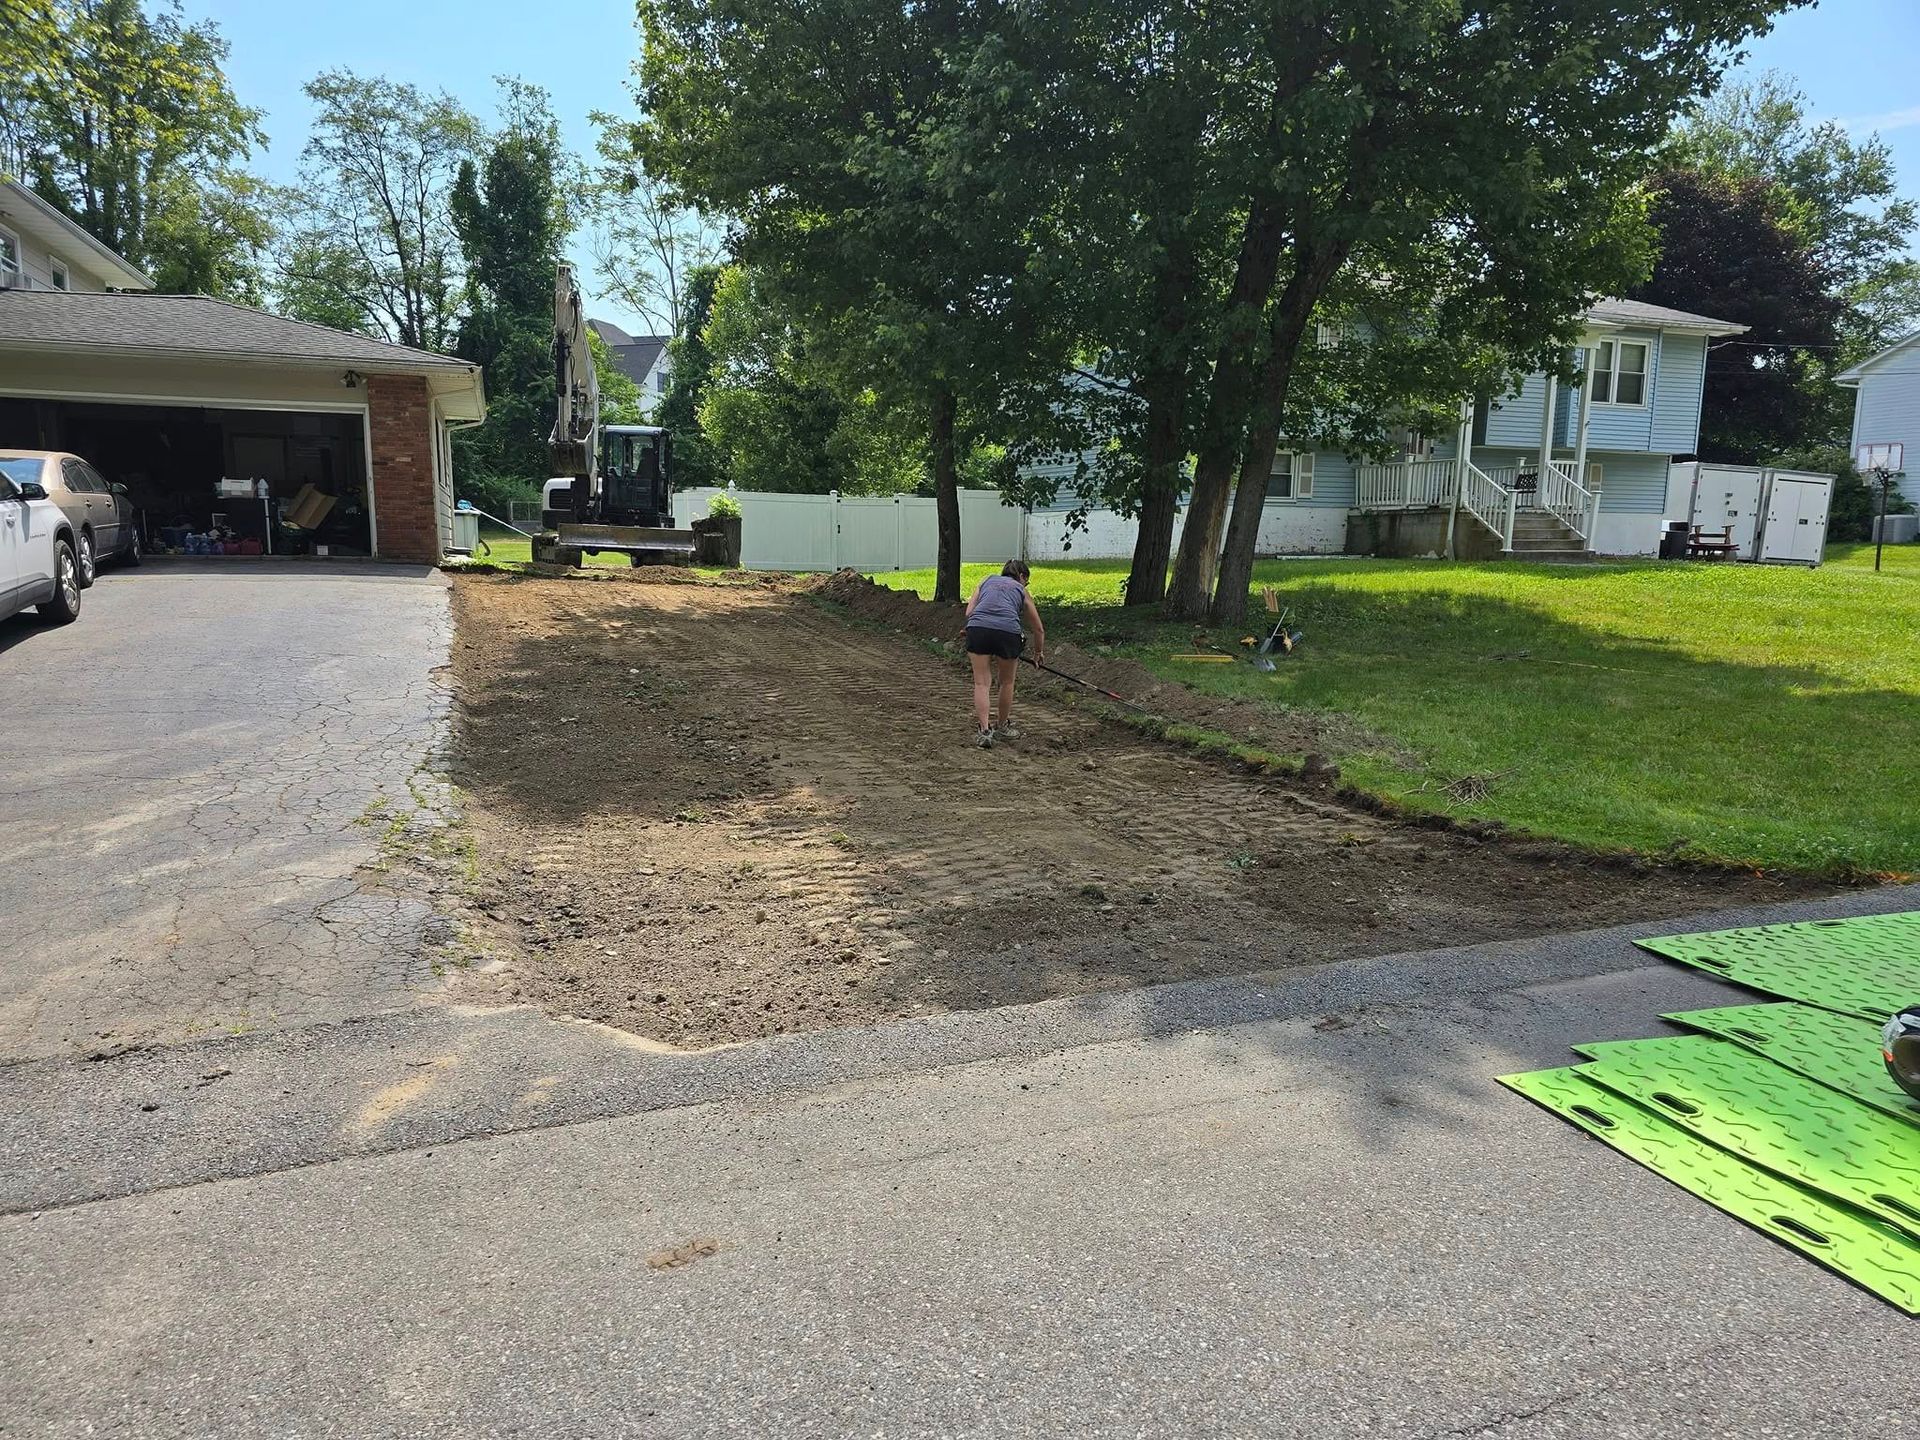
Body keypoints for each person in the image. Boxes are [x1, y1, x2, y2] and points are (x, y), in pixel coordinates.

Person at [963, 560, 1044, 747]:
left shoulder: (985, 582)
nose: (1025, 584)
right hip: (1008, 633)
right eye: (1027, 581)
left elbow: (969, 612)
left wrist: (976, 628)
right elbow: (1038, 629)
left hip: (977, 629)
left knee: (981, 682)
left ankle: (984, 731)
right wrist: (1038, 653)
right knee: (1006, 682)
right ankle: (1001, 727)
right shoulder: (1021, 589)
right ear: (1022, 576)